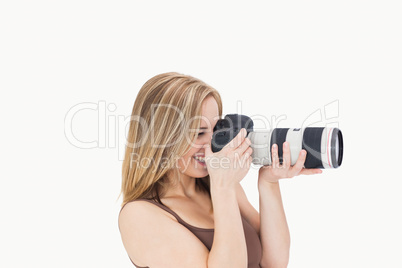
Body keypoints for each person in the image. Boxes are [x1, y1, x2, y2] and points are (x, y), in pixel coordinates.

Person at [118, 72, 322, 268]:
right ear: (162, 138)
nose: (213, 144)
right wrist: (223, 188)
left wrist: (268, 182)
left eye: (216, 130)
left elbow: (274, 263)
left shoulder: (217, 184)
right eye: (199, 133)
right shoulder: (139, 215)